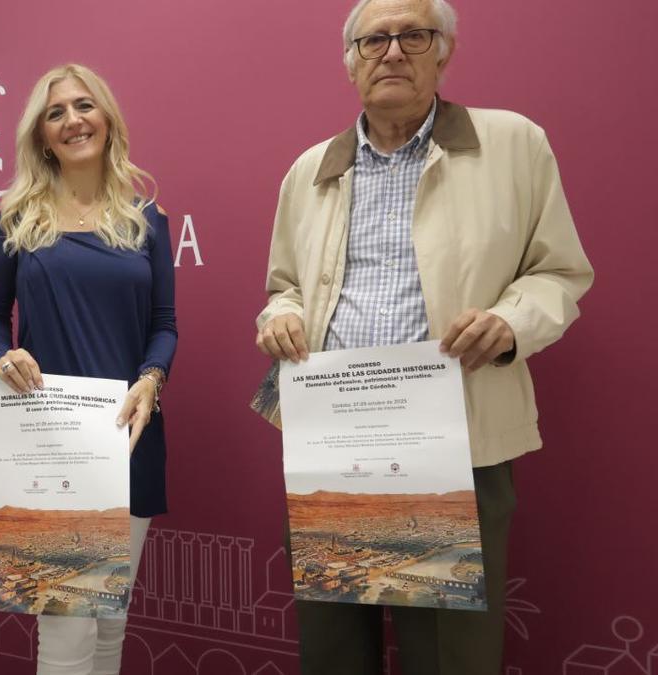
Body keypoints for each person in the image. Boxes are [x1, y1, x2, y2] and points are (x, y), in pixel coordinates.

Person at [254, 1, 594, 672]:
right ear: (350, 62)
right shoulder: (310, 170)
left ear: (444, 52)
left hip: (454, 441)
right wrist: (279, 318)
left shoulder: (513, 145)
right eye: (373, 40)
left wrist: (511, 323)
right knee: (333, 649)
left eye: (413, 35)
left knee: (449, 655)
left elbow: (559, 273)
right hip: (335, 438)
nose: (391, 52)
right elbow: (283, 287)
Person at [0, 63, 176, 675]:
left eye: (84, 106)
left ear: (107, 118)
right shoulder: (16, 218)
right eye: (55, 112)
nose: (73, 121)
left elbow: (164, 324)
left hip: (129, 435)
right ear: (41, 135)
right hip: (51, 442)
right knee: (66, 635)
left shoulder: (148, 219)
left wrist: (152, 378)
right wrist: (2, 356)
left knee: (110, 624)